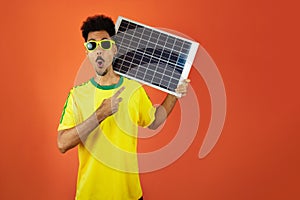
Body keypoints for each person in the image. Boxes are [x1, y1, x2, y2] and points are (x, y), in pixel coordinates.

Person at [57, 14, 189, 200]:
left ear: (114, 49)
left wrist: (175, 94)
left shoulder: (133, 89)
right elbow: (62, 143)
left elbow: (155, 120)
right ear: (86, 51)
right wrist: (100, 114)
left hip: (129, 195)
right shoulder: (77, 95)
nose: (98, 50)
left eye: (104, 43)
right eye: (92, 45)